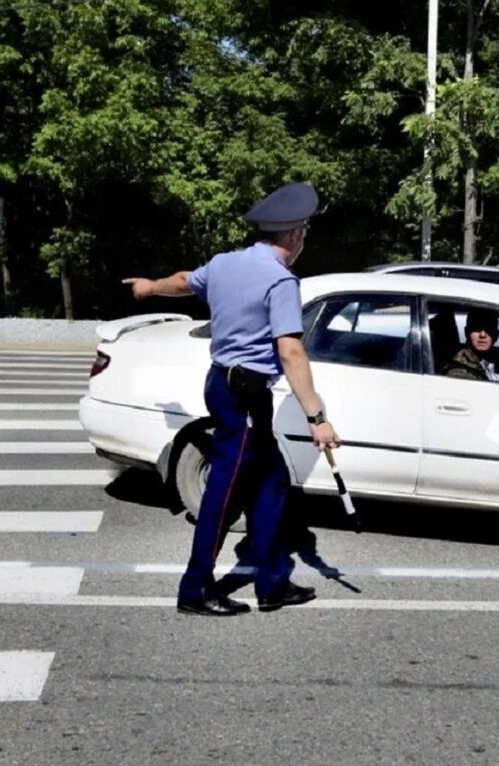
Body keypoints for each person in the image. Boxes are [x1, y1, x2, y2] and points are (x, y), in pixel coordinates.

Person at [123, 182, 342, 617]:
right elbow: (291, 351)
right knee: (224, 494)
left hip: (227, 388)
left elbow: (186, 281)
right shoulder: (281, 281)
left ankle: (272, 582)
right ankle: (195, 589)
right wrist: (317, 418)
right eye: (305, 233)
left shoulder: (224, 264)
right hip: (243, 398)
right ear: (295, 235)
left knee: (272, 481)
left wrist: (151, 287)